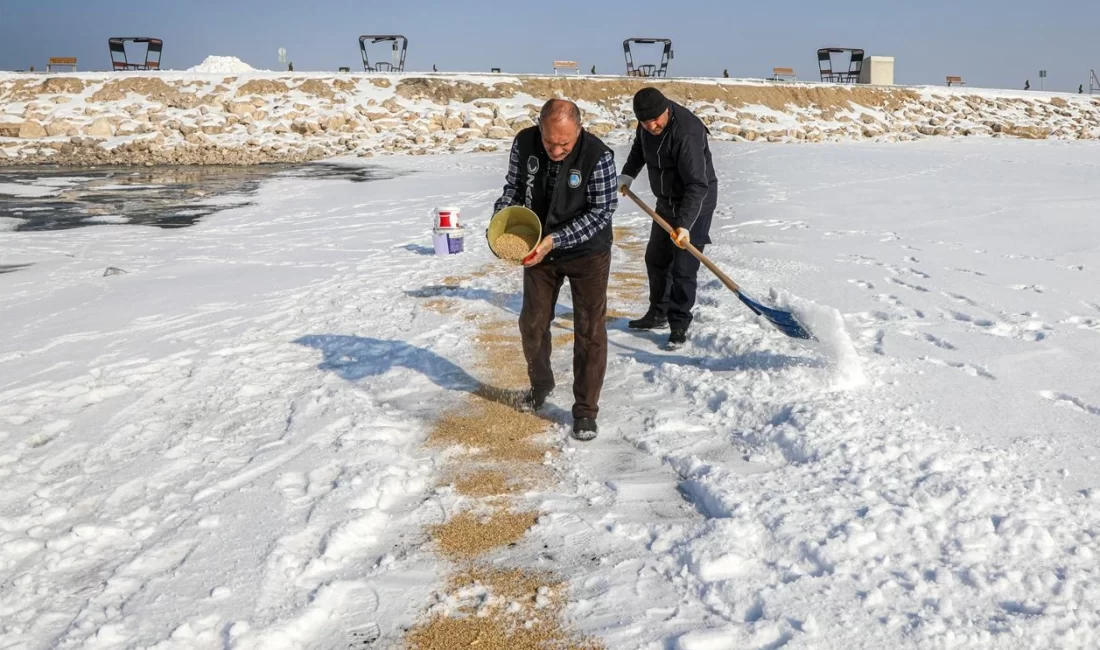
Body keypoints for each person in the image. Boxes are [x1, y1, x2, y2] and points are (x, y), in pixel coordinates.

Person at [492, 98, 618, 441]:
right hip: (538, 249)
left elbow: (602, 211)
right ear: (540, 128)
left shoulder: (598, 156)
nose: (556, 149)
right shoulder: (524, 142)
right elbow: (514, 189)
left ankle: (585, 411)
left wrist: (556, 239)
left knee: (589, 330)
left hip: (587, 252)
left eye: (565, 142)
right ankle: (541, 385)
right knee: (532, 322)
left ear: (579, 129)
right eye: (550, 141)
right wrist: (503, 219)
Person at [617, 87, 718, 349]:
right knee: (657, 258)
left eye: (656, 120)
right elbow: (640, 148)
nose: (652, 126)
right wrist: (628, 173)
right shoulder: (646, 126)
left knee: (683, 267)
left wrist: (684, 225)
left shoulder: (687, 132)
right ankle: (658, 312)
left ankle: (679, 323)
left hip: (696, 201)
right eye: (645, 122)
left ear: (667, 109)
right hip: (666, 200)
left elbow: (697, 185)